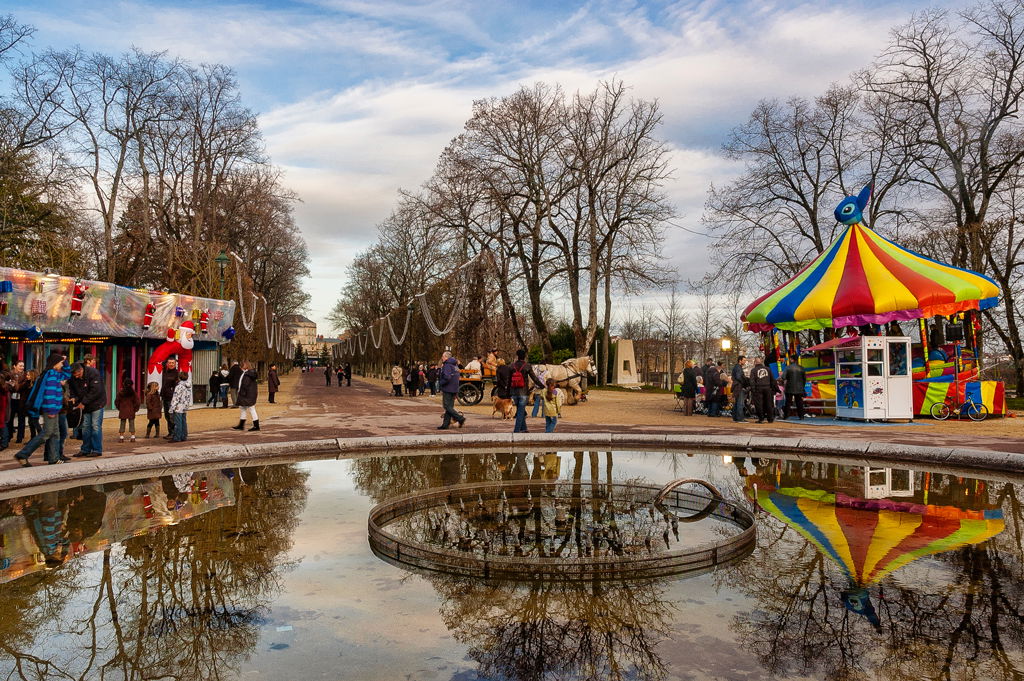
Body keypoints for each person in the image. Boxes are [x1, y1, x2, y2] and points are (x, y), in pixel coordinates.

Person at [13, 352, 71, 466]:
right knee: (47, 433)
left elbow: (67, 375)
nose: (62, 365)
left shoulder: (53, 373)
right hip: (51, 409)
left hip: (53, 409)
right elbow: (49, 394)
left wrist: (66, 361)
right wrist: (52, 411)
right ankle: (23, 454)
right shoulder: (52, 375)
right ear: (55, 364)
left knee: (55, 434)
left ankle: (53, 458)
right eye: (60, 363)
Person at [500, 349, 545, 433]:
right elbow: (534, 378)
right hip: (523, 392)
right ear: (524, 356)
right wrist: (542, 386)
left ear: (517, 356)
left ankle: (524, 429)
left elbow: (509, 380)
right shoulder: (527, 366)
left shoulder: (511, 366)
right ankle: (516, 431)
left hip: (514, 392)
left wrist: (507, 394)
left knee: (521, 410)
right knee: (520, 412)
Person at [74, 355, 106, 456]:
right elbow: (74, 389)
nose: (76, 376)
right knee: (86, 427)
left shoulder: (93, 373)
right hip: (86, 404)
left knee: (95, 426)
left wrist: (83, 402)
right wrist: (76, 399)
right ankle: (85, 449)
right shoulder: (76, 378)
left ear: (80, 370)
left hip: (97, 404)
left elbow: (96, 391)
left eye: (77, 374)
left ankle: (96, 449)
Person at [437, 351, 465, 430]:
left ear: (446, 357)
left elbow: (447, 377)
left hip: (448, 388)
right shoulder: (455, 365)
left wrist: (441, 383)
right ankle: (445, 424)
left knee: (446, 406)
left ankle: (460, 418)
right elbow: (456, 377)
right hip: (454, 388)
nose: (442, 358)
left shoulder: (447, 365)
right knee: (449, 407)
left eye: (443, 356)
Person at [232, 361, 260, 431]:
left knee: (251, 409)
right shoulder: (248, 373)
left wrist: (241, 393)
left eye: (243, 365)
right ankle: (241, 425)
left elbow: (245, 384)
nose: (242, 366)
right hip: (249, 394)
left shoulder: (247, 374)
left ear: (246, 366)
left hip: (246, 394)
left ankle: (256, 426)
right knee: (243, 408)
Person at [750, 357, 778, 423]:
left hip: (758, 388)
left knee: (759, 404)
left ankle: (761, 418)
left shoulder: (753, 370)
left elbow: (752, 381)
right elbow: (772, 379)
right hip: (767, 388)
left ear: (755, 362)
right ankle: (770, 418)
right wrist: (774, 388)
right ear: (761, 362)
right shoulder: (768, 369)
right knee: (768, 403)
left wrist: (753, 389)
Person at [115, 378, 141, 443]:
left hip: (123, 410)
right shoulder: (133, 393)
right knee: (132, 423)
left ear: (124, 384)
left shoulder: (120, 393)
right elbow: (137, 402)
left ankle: (121, 437)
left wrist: (120, 408)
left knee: (122, 423)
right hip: (131, 410)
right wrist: (135, 409)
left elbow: (116, 401)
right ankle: (133, 437)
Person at [170, 372, 192, 442]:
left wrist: (172, 407)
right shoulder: (188, 386)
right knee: (183, 422)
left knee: (178, 422)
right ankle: (183, 435)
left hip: (178, 406)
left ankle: (177, 437)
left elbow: (176, 397)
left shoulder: (179, 386)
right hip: (185, 405)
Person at [161, 358, 180, 437]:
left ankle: (175, 433)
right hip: (165, 397)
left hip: (172, 398)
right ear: (167, 364)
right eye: (170, 363)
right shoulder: (165, 372)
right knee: (167, 416)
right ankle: (170, 432)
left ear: (175, 364)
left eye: (173, 363)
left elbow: (178, 386)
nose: (171, 364)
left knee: (172, 416)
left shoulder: (177, 373)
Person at [731, 356, 750, 423]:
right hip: (739, 386)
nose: (745, 362)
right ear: (740, 360)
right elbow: (739, 377)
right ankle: (740, 418)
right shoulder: (738, 367)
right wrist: (745, 382)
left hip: (736, 386)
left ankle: (736, 417)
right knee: (740, 403)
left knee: (737, 402)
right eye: (744, 360)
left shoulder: (737, 367)